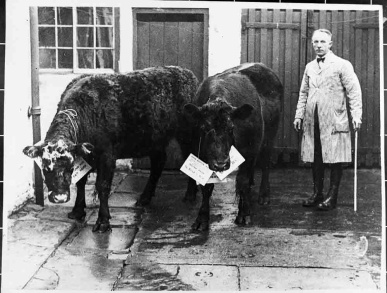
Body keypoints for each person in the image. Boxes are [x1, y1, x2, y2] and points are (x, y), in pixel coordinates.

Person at [293, 28, 362, 211]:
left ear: (330, 44)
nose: (318, 46)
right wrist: (299, 115)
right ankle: (317, 193)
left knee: (335, 158)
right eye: (315, 42)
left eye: (322, 42)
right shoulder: (310, 67)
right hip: (313, 119)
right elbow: (303, 93)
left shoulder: (341, 65)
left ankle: (332, 196)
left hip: (334, 120)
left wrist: (356, 115)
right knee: (316, 157)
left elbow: (354, 91)